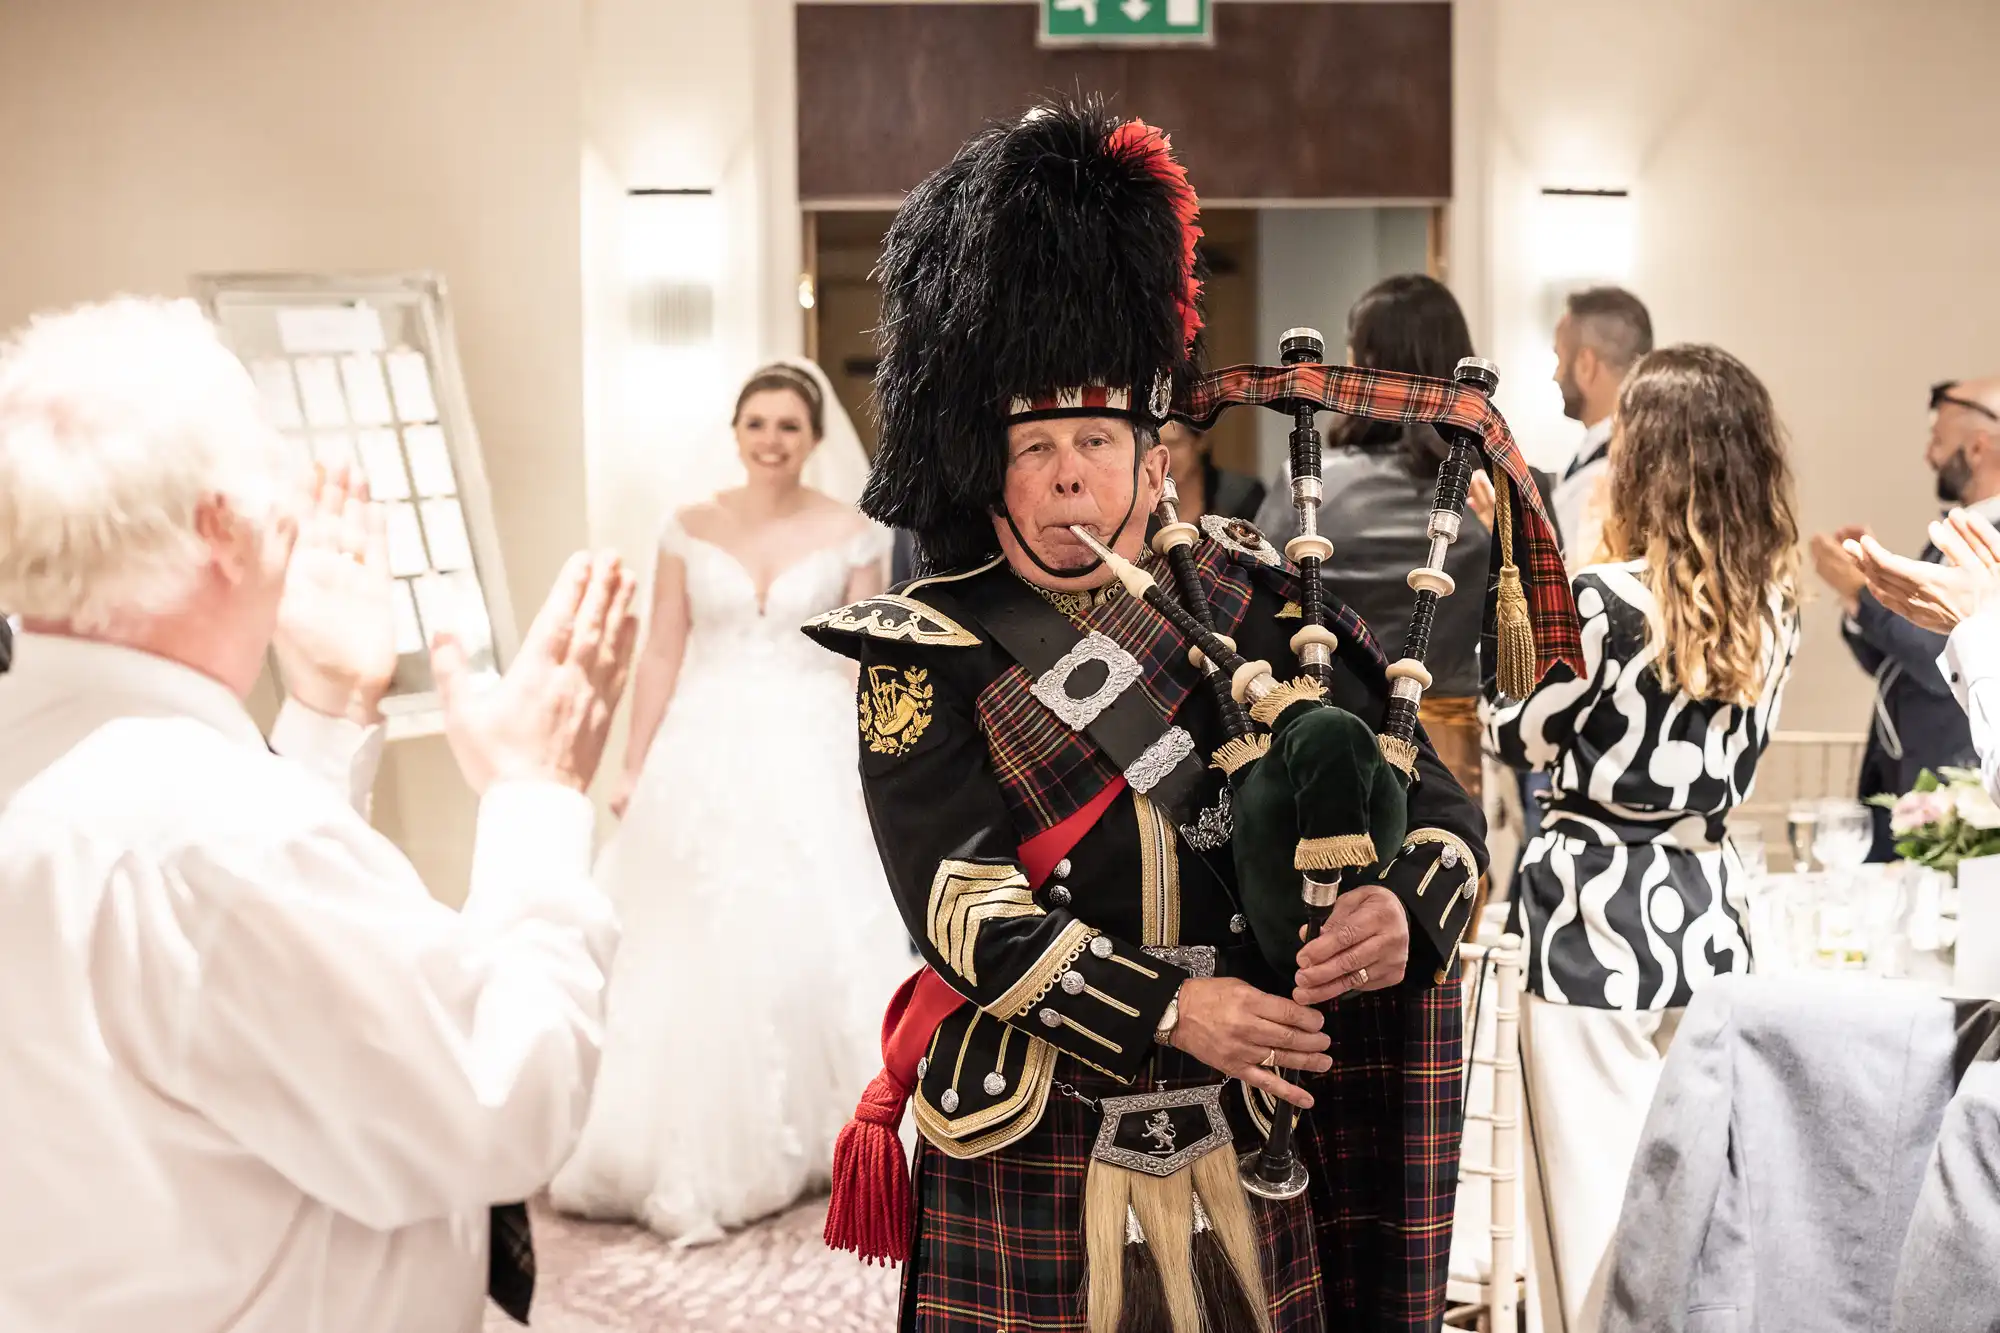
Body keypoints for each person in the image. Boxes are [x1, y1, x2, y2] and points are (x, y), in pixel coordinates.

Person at [805, 100, 1506, 1333]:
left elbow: (1437, 810)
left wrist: (1404, 908)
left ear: (1155, 460)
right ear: (988, 468)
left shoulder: (1255, 606)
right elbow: (962, 910)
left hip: (1252, 1127)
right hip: (1035, 1134)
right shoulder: (928, 648)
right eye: (1036, 446)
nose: (1070, 470)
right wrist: (1178, 1009)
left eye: (1096, 437)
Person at [0, 296, 637, 1333]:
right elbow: (502, 1096)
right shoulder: (208, 834)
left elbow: (220, 997)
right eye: (275, 468)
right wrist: (537, 792)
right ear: (222, 524)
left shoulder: (88, 775)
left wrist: (331, 713)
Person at [550, 358, 912, 1243]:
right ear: (737, 432)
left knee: (803, 931)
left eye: (790, 426)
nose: (772, 440)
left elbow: (872, 659)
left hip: (810, 746)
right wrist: (632, 764)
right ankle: (676, 1133)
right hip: (700, 748)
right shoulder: (687, 527)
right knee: (686, 932)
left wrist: (879, 767)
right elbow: (662, 654)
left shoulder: (853, 529)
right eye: (758, 424)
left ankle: (823, 1127)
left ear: (814, 439)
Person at [1485, 344, 1802, 1333]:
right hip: (1704, 909)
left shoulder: (1599, 601)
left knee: (1587, 1219)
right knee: (1688, 1204)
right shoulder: (1772, 605)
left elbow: (1515, 729)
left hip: (1588, 910)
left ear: (1643, 458)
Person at [1258, 273, 1491, 798]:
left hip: (1331, 747)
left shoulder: (1309, 489)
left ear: (1364, 368)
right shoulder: (1494, 492)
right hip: (1454, 752)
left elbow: (1262, 597)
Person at [1811, 377, 1999, 858]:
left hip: (1953, 783)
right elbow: (1896, 660)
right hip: (1902, 775)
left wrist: (1859, 590)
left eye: (1939, 442)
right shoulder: (1958, 532)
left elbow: (1941, 656)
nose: (1928, 457)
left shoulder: (1989, 546)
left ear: (1978, 449)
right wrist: (1869, 594)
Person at [1849, 506, 2000, 806]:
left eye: (1938, 452)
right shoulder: (1950, 537)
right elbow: (1893, 663)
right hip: (1897, 768)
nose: (1929, 456)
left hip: (1951, 772)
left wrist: (1979, 625)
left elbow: (1933, 659)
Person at [1549, 286, 1653, 576]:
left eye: (1559, 358)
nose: (1555, 375)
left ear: (1586, 364)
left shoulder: (1614, 474)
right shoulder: (1605, 455)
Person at [1161, 418, 1266, 524]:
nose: (1165, 458)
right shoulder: (1147, 500)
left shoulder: (1242, 496)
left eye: (1174, 444)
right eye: (1157, 447)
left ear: (1200, 441)